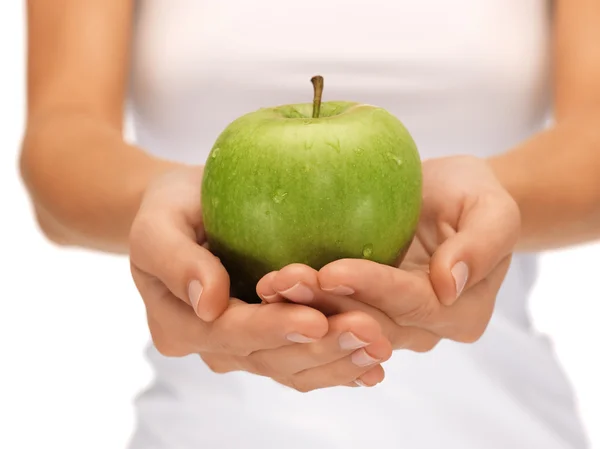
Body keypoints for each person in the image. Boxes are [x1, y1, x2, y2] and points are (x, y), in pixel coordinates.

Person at [19, 1, 600, 448]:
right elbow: (62, 135)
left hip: (503, 426)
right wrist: (166, 204)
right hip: (203, 430)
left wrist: (470, 211)